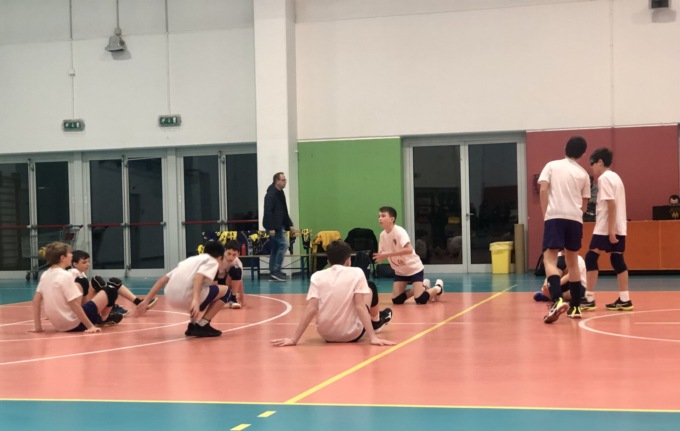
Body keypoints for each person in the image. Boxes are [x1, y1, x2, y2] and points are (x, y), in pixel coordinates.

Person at [270, 240, 395, 346]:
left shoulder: (317, 276)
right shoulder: (357, 272)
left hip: (326, 335)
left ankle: (377, 319)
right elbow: (359, 306)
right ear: (348, 260)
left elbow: (311, 308)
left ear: (328, 261)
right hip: (352, 335)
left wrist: (293, 339)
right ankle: (376, 322)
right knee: (370, 287)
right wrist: (373, 337)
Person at [538, 136, 591, 323]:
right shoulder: (584, 174)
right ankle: (575, 307)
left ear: (565, 148)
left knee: (549, 258)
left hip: (555, 216)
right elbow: (584, 205)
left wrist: (546, 215)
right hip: (575, 219)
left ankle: (557, 300)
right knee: (573, 262)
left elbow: (543, 190)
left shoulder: (551, 165)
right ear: (582, 154)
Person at [135, 241, 228, 337]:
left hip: (171, 298)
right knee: (226, 291)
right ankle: (203, 324)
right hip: (187, 298)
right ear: (220, 258)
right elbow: (199, 276)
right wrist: (195, 300)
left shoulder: (191, 260)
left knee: (197, 287)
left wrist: (146, 301)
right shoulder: (212, 261)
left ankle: (192, 325)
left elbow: (162, 280)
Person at [581, 147, 633, 311]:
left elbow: (611, 205)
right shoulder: (616, 177)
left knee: (591, 258)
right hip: (619, 226)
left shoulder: (604, 179)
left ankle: (589, 298)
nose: (591, 167)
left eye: (592, 163)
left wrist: (610, 231)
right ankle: (625, 299)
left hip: (605, 227)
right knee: (617, 260)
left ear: (600, 162)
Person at [31, 242, 122, 334]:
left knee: (81, 281)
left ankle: (97, 317)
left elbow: (36, 300)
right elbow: (74, 304)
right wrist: (90, 326)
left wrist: (38, 327)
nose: (72, 255)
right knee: (111, 290)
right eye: (70, 253)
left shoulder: (45, 274)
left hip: (59, 326)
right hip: (75, 324)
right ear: (63, 258)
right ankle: (103, 319)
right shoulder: (65, 275)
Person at [373, 206, 443, 305]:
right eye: (379, 216)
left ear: (392, 219)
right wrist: (379, 257)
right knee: (396, 300)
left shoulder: (399, 231)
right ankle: (423, 287)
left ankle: (438, 288)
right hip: (400, 271)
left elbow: (409, 249)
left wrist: (388, 254)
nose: (380, 218)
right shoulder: (382, 235)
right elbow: (381, 252)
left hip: (413, 268)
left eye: (383, 216)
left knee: (420, 299)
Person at [69, 250, 157, 317]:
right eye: (84, 262)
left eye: (88, 261)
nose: (88, 264)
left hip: (87, 301)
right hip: (82, 304)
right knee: (96, 280)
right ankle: (110, 307)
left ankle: (139, 303)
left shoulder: (81, 274)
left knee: (113, 282)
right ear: (75, 264)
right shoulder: (73, 273)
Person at [263, 172, 296, 282]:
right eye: (283, 180)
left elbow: (284, 211)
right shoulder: (270, 194)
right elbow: (268, 212)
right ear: (277, 181)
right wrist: (271, 227)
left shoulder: (280, 193)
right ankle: (276, 271)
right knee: (284, 244)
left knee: (276, 248)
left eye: (285, 180)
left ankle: (273, 272)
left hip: (279, 225)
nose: (285, 182)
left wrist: (290, 225)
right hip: (274, 226)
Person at [215, 240, 245, 308]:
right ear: (225, 251)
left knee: (237, 270)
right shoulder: (219, 259)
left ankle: (233, 298)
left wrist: (241, 296)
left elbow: (239, 281)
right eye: (229, 253)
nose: (231, 257)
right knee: (214, 271)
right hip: (215, 282)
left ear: (238, 254)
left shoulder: (238, 263)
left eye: (234, 255)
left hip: (226, 282)